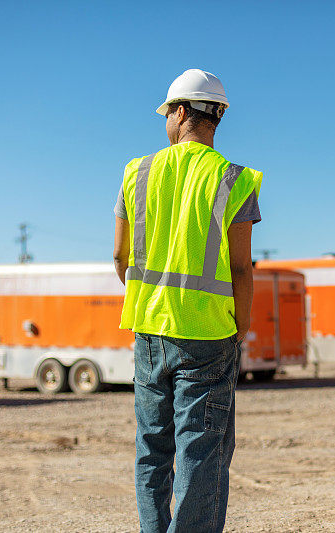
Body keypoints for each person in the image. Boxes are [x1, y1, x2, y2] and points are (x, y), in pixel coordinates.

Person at [112, 68, 263, 533]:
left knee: (152, 450)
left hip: (150, 331)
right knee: (202, 452)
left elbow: (120, 255)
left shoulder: (137, 172)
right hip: (209, 335)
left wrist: (149, 298)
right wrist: (240, 328)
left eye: (167, 113)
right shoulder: (235, 179)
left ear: (180, 112)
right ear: (217, 115)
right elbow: (241, 268)